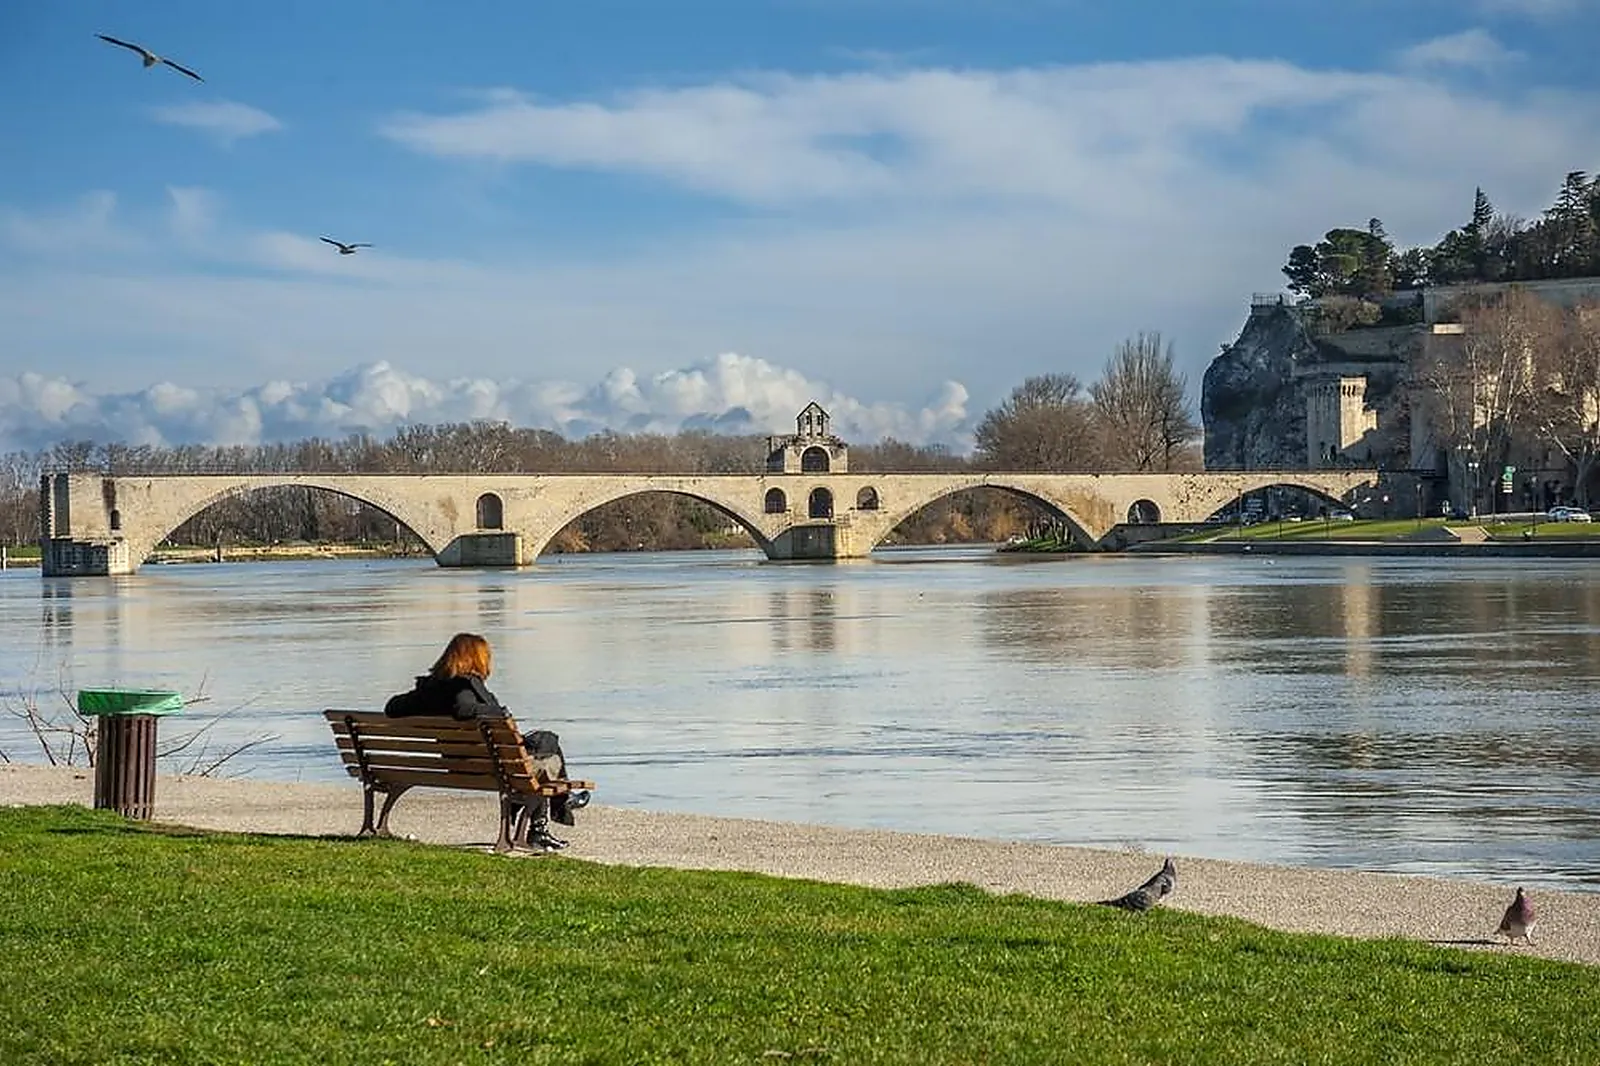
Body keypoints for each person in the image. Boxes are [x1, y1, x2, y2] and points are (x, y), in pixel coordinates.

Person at [384, 632, 588, 850]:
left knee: (542, 741)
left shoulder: (430, 689)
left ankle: (554, 810)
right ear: (477, 658)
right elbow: (464, 709)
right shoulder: (464, 687)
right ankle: (548, 819)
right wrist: (498, 711)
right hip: (490, 768)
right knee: (548, 755)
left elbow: (392, 707)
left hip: (455, 764)